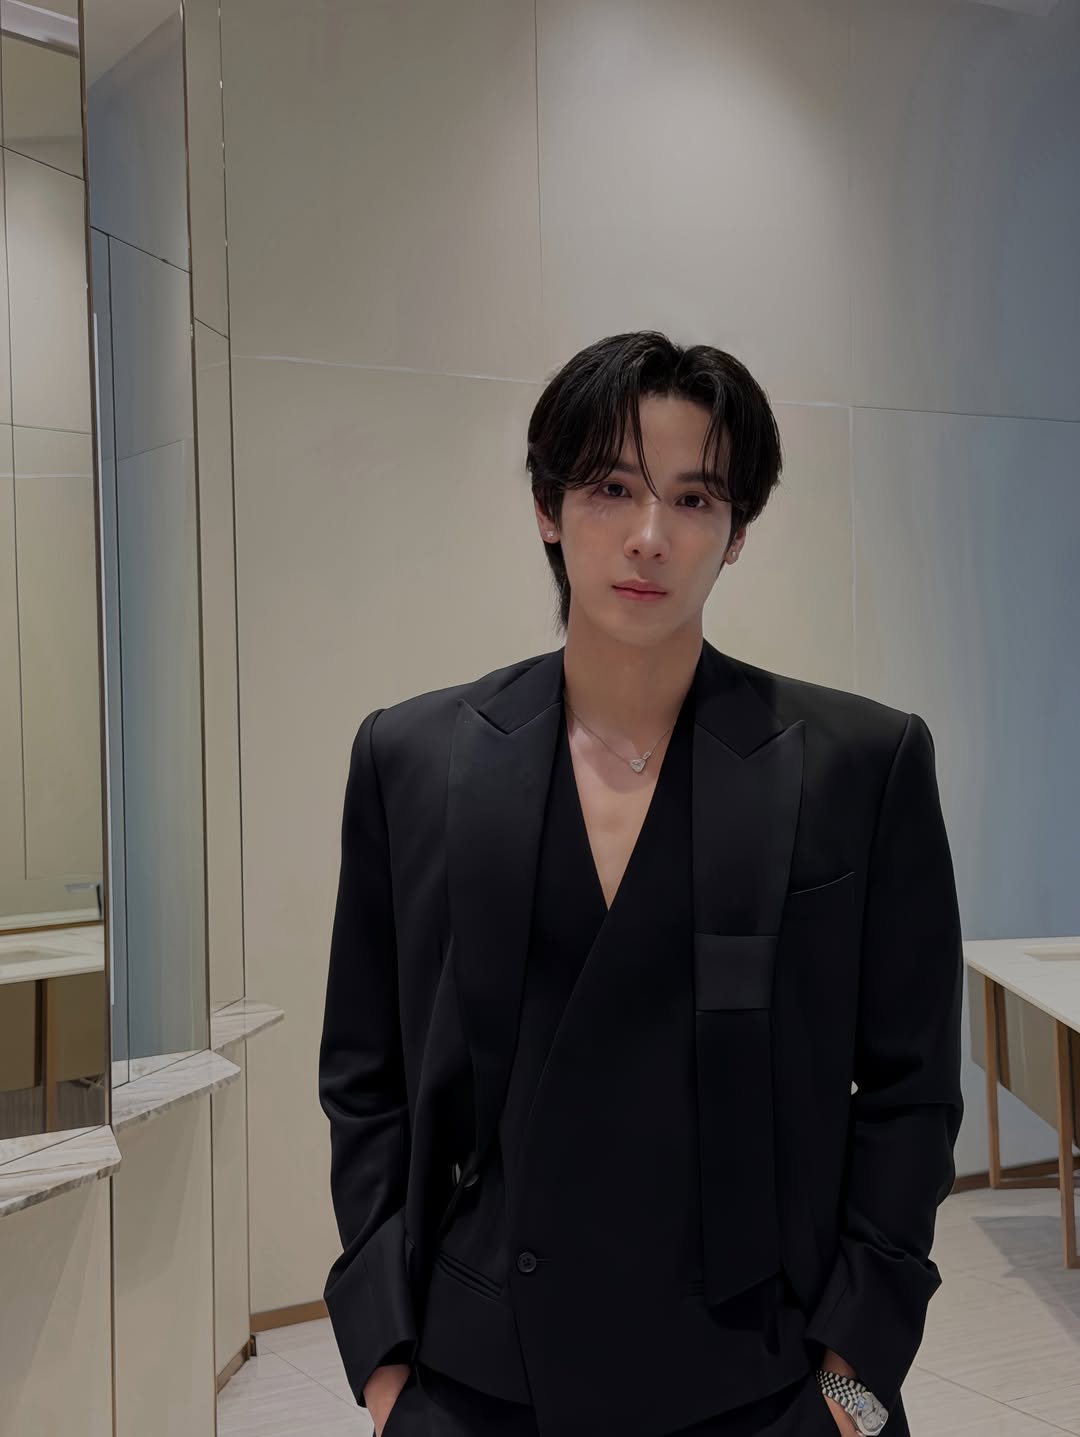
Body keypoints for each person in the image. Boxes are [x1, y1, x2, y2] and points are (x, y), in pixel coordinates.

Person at [318, 331, 964, 1437]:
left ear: (738, 531)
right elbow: (364, 1077)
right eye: (611, 487)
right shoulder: (412, 758)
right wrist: (385, 1367)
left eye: (695, 498)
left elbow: (911, 1091)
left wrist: (853, 1386)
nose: (650, 535)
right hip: (481, 1378)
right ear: (547, 506)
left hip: (767, 1380)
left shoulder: (862, 763)